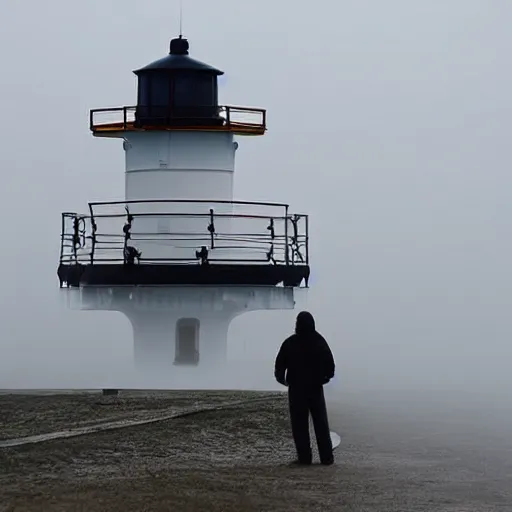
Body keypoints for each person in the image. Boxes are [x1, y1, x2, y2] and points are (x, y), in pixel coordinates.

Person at [274, 311, 335, 465]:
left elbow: (279, 365)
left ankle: (304, 458)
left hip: (296, 389)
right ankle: (326, 458)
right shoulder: (319, 341)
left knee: (299, 425)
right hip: (315, 388)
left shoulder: (290, 342)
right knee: (321, 424)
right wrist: (325, 378)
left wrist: (282, 380)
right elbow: (330, 364)